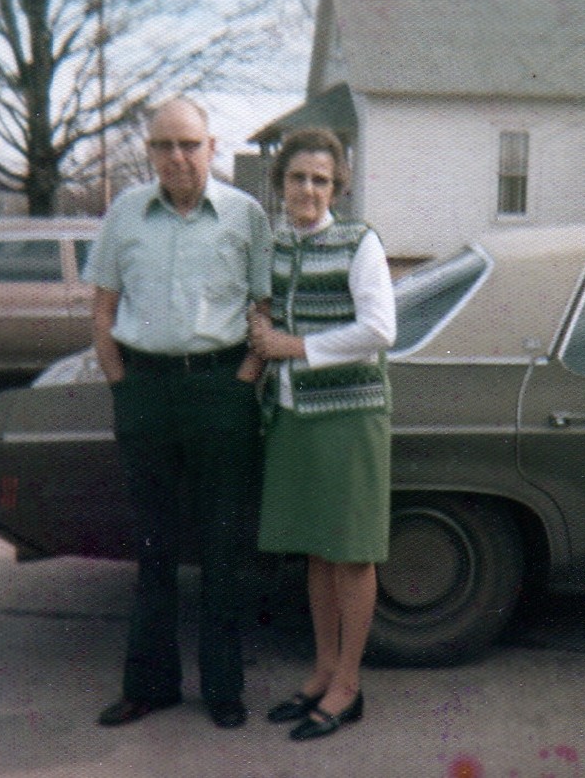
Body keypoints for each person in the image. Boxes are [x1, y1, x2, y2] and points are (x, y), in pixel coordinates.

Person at [86, 96, 271, 730]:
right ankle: (149, 686)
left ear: (211, 148)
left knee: (223, 548)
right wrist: (122, 386)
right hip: (146, 391)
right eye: (164, 145)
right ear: (150, 152)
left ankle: (223, 688)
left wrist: (243, 382)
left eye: (189, 144)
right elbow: (103, 310)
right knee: (153, 546)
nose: (178, 157)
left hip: (221, 389)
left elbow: (263, 311)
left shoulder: (245, 215)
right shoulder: (125, 213)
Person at [248, 127, 396, 742]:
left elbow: (380, 329)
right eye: (297, 178)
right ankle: (323, 671)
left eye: (320, 180)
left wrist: (294, 346)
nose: (307, 190)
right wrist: (260, 326)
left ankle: (349, 687)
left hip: (349, 417)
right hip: (293, 415)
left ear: (337, 188)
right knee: (316, 549)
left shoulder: (360, 242)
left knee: (351, 552)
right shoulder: (277, 243)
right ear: (280, 183)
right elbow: (261, 309)